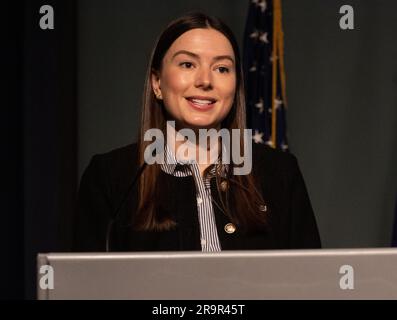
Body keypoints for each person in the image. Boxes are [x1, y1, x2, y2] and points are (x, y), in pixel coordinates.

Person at [73, 12, 321, 252]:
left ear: (235, 87)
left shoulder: (279, 173)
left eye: (222, 68)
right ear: (157, 83)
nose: (205, 80)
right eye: (188, 64)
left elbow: (313, 283)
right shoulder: (111, 177)